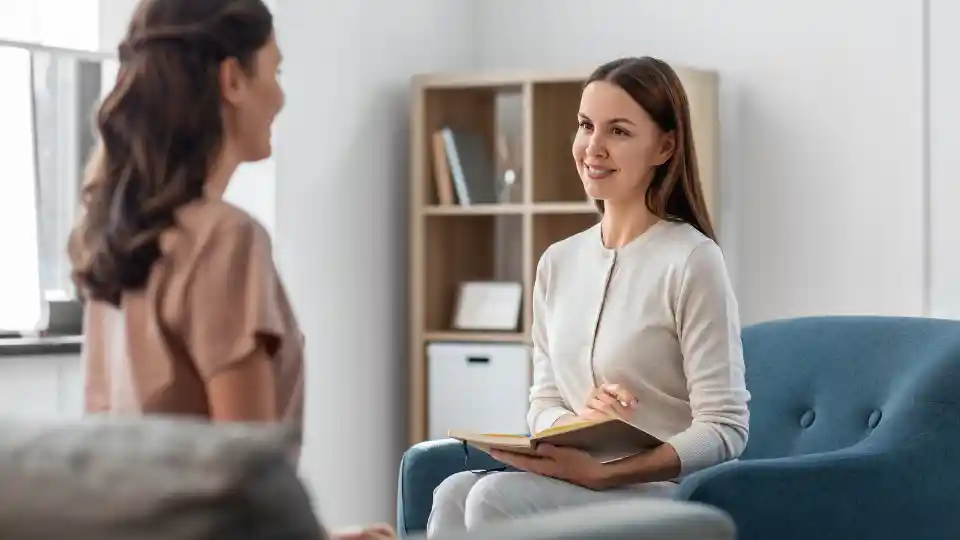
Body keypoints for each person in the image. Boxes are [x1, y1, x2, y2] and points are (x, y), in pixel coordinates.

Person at [66, 1, 393, 539]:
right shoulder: (225, 238)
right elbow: (247, 489)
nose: (281, 96)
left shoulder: (111, 237)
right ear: (232, 79)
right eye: (275, 71)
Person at [426, 56, 751, 536]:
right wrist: (581, 424)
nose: (592, 148)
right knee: (452, 491)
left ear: (664, 146)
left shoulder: (691, 259)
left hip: (661, 493)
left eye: (618, 131)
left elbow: (726, 428)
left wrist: (610, 471)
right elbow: (543, 400)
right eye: (585, 126)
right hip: (580, 483)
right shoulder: (557, 262)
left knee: (494, 498)